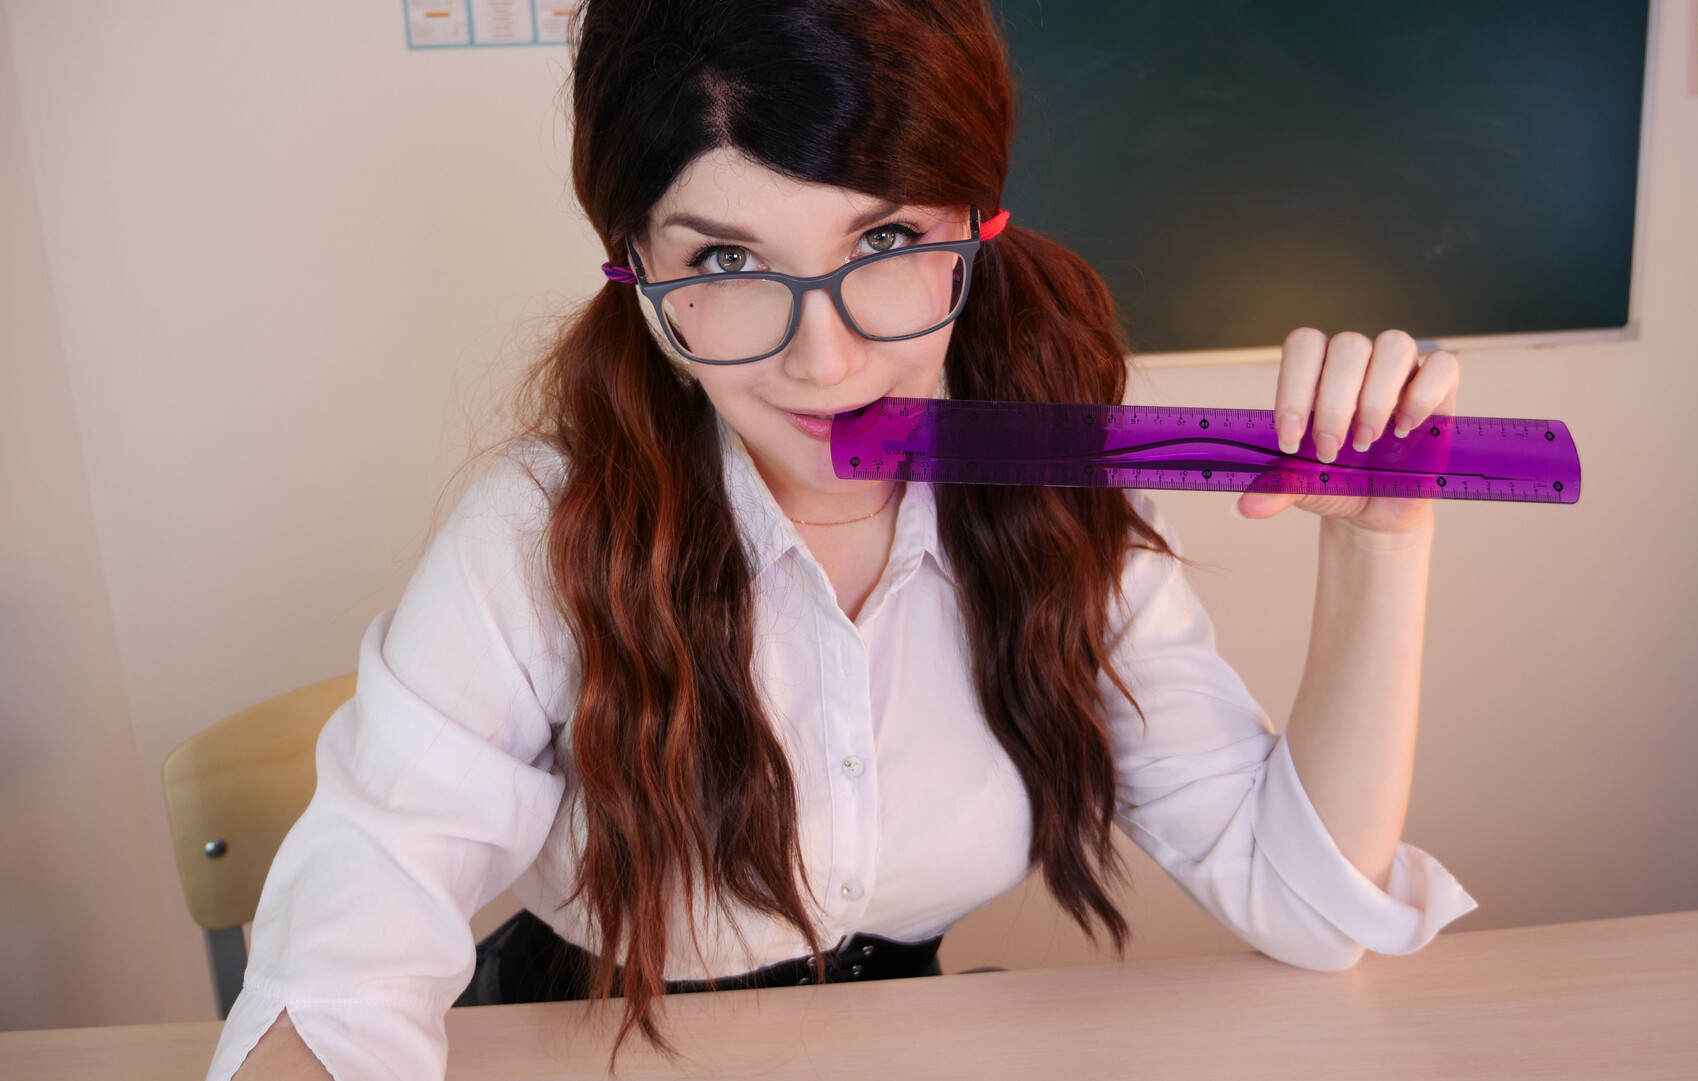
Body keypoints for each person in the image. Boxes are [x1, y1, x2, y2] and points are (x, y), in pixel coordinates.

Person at [213, 1, 1477, 1077]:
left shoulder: (1061, 497)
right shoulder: (540, 535)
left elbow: (1306, 904)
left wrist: (1380, 547)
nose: (825, 362)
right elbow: (347, 953)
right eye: (726, 259)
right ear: (633, 271)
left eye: (884, 241)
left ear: (976, 224)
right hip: (591, 1041)